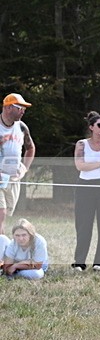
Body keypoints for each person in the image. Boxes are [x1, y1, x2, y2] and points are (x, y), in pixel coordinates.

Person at [72, 111, 100, 272]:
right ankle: (79, 261)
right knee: (83, 224)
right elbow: (80, 166)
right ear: (91, 127)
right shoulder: (82, 144)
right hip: (85, 186)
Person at [0, 93, 36, 236]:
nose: (23, 111)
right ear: (8, 107)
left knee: (6, 215)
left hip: (13, 179)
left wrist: (24, 168)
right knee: (1, 215)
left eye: (24, 109)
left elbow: (30, 148)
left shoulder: (21, 127)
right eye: (20, 108)